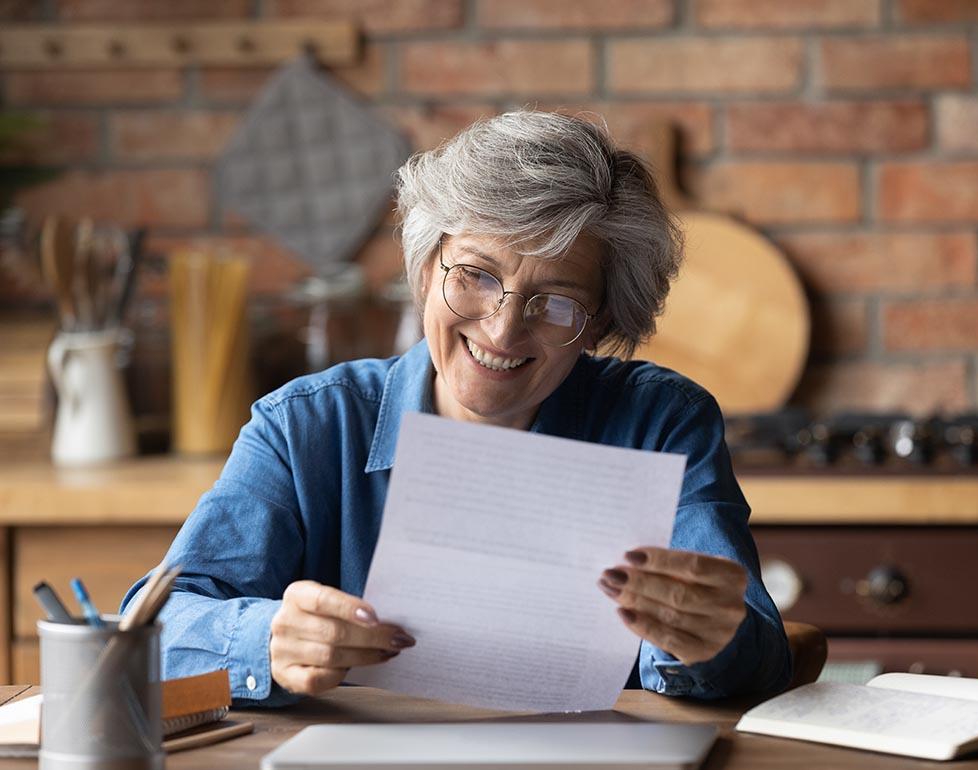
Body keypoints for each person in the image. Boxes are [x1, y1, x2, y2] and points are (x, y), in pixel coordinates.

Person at [122, 110, 791, 706]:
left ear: (601, 322)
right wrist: (263, 640)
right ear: (424, 267)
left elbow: (755, 647)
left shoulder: (661, 424)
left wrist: (704, 638)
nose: (502, 331)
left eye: (556, 301)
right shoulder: (306, 427)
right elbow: (148, 632)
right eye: (475, 274)